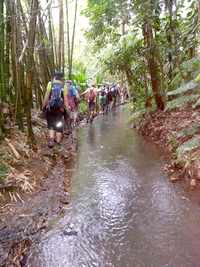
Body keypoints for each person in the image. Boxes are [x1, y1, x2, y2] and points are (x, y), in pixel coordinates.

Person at [42, 71, 68, 148]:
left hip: (50, 108)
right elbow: (65, 100)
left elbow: (46, 97)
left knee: (51, 124)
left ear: (54, 77)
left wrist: (43, 106)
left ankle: (51, 140)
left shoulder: (50, 84)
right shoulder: (64, 86)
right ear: (62, 78)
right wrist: (67, 110)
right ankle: (58, 142)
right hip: (60, 109)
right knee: (59, 125)